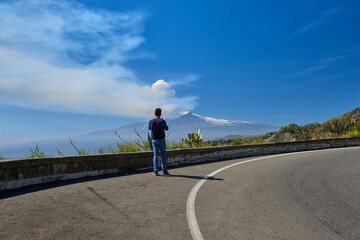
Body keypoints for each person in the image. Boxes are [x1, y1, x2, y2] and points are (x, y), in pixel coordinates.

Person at [148, 108, 170, 176]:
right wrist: (162, 120)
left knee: (155, 155)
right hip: (161, 140)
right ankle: (164, 171)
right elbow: (166, 128)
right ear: (160, 114)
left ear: (154, 114)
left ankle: (155, 171)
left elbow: (149, 128)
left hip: (154, 140)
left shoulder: (151, 121)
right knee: (163, 154)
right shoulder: (162, 121)